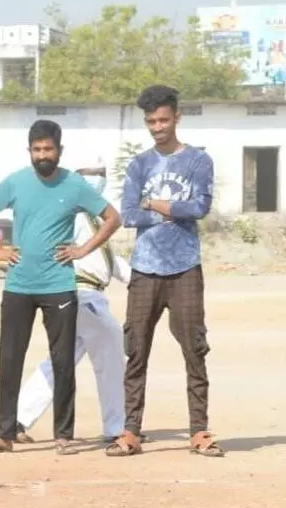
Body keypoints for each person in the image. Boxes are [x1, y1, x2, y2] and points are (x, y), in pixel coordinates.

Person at [0, 119, 120, 456]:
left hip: (59, 285)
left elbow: (113, 218)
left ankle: (63, 435)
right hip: (19, 285)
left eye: (48, 149)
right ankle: (5, 434)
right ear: (30, 151)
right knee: (10, 360)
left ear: (59, 150)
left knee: (63, 360)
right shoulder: (16, 182)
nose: (42, 155)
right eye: (37, 149)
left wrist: (83, 249)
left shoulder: (76, 184)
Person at [108, 85, 222, 458]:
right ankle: (130, 431)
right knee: (136, 350)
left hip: (185, 267)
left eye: (163, 119)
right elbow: (129, 215)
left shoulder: (197, 162)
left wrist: (154, 202)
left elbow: (200, 208)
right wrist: (172, 208)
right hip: (145, 269)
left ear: (177, 117)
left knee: (194, 350)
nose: (157, 127)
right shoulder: (139, 164)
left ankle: (199, 431)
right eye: (151, 121)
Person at [14, 166, 131, 444]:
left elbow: (111, 264)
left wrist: (141, 281)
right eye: (91, 173)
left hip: (84, 295)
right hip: (82, 293)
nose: (98, 178)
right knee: (111, 356)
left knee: (59, 362)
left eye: (101, 173)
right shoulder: (75, 216)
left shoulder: (92, 220)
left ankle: (18, 417)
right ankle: (116, 427)